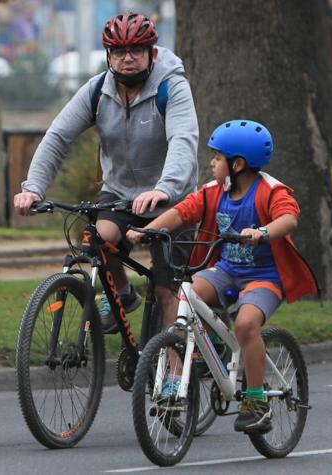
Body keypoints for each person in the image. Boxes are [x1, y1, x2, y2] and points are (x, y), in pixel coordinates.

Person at [126, 119, 318, 434]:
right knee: (186, 295)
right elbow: (182, 212)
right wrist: (149, 230)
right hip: (227, 271)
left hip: (264, 277)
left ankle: (256, 402)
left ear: (238, 164)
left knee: (245, 324)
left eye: (217, 158)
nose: (211, 163)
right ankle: (195, 361)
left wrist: (262, 232)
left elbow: (289, 218)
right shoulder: (214, 192)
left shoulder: (269, 190)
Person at [13, 12, 198, 334]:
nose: (128, 58)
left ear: (152, 53)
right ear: (108, 55)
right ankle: (123, 295)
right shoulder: (98, 90)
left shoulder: (173, 88)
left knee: (168, 289)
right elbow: (58, 136)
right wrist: (33, 187)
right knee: (98, 239)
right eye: (119, 52)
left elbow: (183, 139)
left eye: (136, 51)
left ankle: (173, 374)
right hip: (120, 193)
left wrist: (165, 188)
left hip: (172, 199)